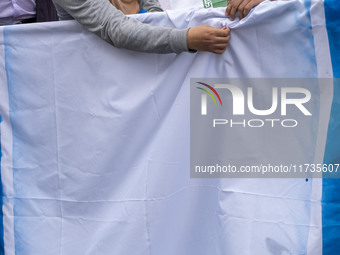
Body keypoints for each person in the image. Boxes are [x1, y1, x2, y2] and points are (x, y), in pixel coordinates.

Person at [52, 0, 231, 54]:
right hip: (99, 84)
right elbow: (114, 28)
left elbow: (156, 15)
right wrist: (187, 39)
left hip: (143, 72)